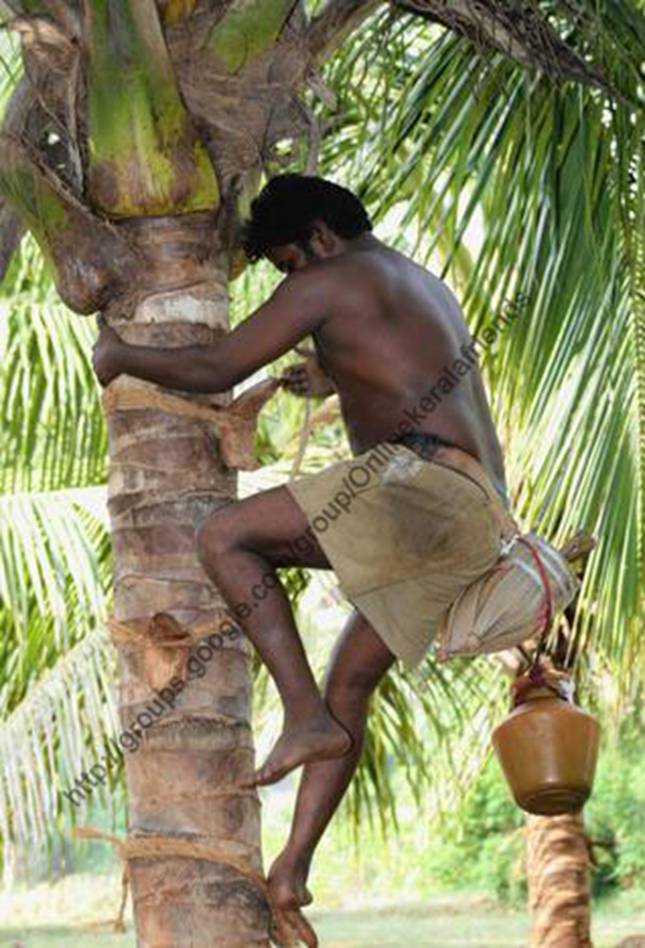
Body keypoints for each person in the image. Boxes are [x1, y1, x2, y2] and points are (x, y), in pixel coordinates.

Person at [92, 174, 514, 930]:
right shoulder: (414, 280)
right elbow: (393, 368)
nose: (293, 282)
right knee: (348, 687)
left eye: (287, 265)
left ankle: (298, 714)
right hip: (476, 515)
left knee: (225, 534)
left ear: (318, 237)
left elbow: (216, 367)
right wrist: (321, 376)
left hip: (419, 493)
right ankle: (291, 872)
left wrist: (121, 355)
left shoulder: (333, 275)